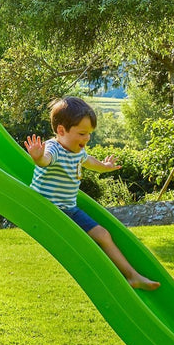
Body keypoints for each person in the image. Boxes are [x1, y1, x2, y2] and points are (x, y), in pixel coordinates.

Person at [25, 97, 159, 291]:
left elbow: (90, 162)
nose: (87, 138)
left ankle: (132, 276)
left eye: (89, 133)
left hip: (69, 209)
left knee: (103, 234)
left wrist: (105, 167)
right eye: (82, 133)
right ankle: (129, 275)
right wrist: (38, 157)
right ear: (61, 131)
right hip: (49, 210)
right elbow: (45, 160)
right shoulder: (54, 148)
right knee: (87, 242)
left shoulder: (78, 151)